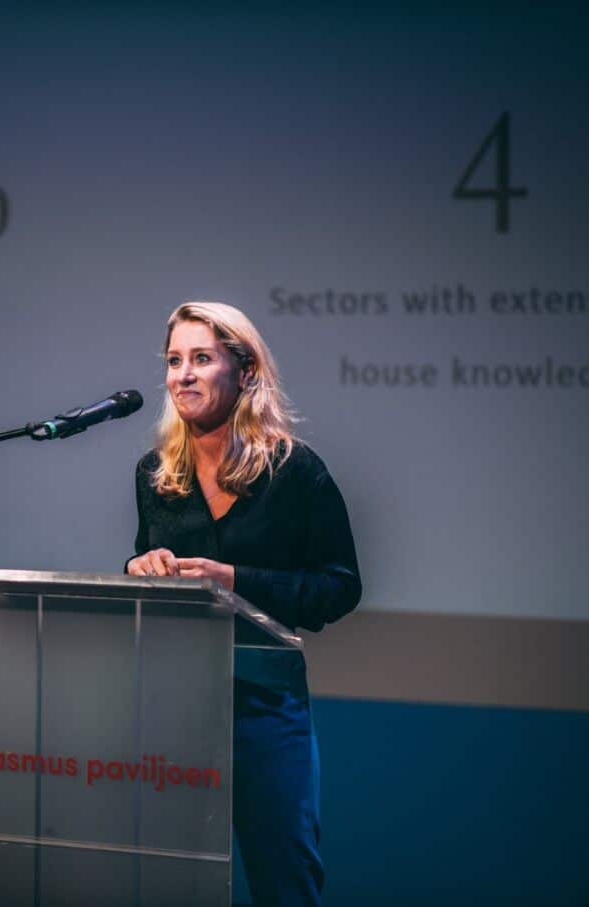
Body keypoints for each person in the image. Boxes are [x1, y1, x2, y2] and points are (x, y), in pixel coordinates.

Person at [125, 301, 361, 906]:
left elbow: (339, 586)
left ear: (245, 370)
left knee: (285, 879)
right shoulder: (156, 474)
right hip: (174, 706)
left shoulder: (294, 471)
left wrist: (235, 578)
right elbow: (140, 566)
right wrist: (135, 569)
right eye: (174, 361)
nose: (182, 375)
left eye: (201, 359)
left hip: (265, 706)